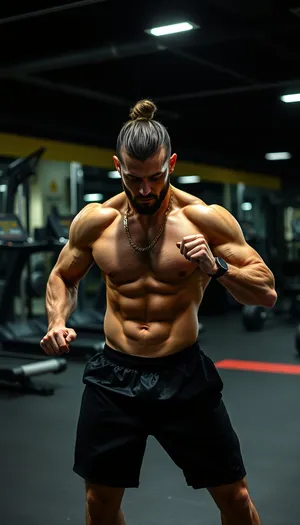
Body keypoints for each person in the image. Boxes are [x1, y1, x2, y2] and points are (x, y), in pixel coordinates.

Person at [41, 99, 277, 525]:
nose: (146, 189)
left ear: (171, 163)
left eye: (155, 177)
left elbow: (266, 293)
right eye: (134, 178)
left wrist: (216, 267)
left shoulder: (203, 218)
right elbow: (62, 277)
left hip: (183, 374)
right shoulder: (96, 221)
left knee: (236, 497)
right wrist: (57, 322)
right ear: (118, 166)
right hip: (114, 376)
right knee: (99, 502)